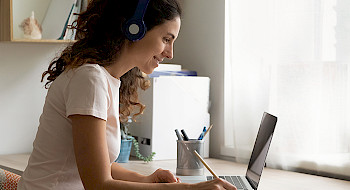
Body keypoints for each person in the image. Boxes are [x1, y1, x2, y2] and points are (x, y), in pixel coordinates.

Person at [18, 0, 237, 189]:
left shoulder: (106, 79)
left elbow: (96, 163)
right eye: (166, 39)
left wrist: (145, 179)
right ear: (135, 29)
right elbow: (98, 184)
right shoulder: (89, 79)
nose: (170, 53)